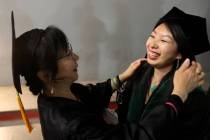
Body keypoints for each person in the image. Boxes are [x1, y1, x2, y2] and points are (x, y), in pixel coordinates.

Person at [12, 17, 204, 140]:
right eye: (67, 54)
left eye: (163, 40)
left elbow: (90, 94)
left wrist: (121, 78)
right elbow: (137, 136)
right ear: (46, 75)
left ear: (180, 53)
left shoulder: (59, 92)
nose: (76, 56)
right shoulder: (73, 126)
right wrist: (178, 94)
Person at [116, 7, 210, 140]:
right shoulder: (138, 73)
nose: (152, 44)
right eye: (152, 36)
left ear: (179, 53)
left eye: (164, 40)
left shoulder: (191, 92)